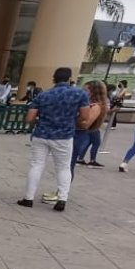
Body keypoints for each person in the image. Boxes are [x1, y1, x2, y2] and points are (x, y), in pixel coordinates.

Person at [18, 67, 90, 212]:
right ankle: (62, 199)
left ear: (53, 79)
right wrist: (70, 121)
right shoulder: (79, 94)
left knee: (37, 165)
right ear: (70, 79)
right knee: (63, 167)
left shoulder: (43, 95)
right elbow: (84, 116)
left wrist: (40, 122)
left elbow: (30, 118)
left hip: (42, 134)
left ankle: (28, 198)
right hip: (64, 136)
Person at [73, 81, 109, 169]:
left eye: (85, 90)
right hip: (74, 133)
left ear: (93, 92)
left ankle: (88, 159)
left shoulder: (95, 106)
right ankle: (83, 158)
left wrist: (73, 119)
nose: (83, 92)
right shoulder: (85, 103)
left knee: (69, 165)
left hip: (79, 133)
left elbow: (86, 124)